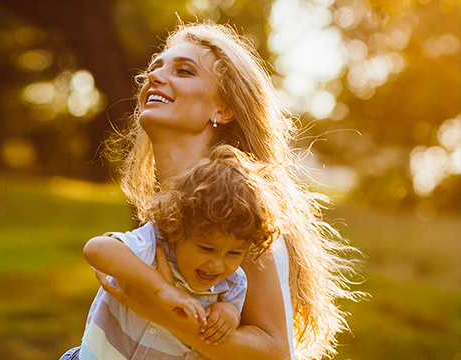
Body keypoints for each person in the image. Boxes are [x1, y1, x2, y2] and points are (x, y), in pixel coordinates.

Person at [94, 21, 360, 360]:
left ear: (223, 108)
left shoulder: (238, 204)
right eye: (155, 67)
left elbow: (276, 351)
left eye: (184, 71)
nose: (155, 77)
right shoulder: (173, 203)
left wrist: (165, 314)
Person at [60, 147, 280, 360]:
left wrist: (229, 314)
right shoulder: (155, 244)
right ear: (178, 229)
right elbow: (96, 249)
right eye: (206, 248)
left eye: (234, 253)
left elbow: (226, 336)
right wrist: (161, 288)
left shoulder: (233, 284)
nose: (217, 264)